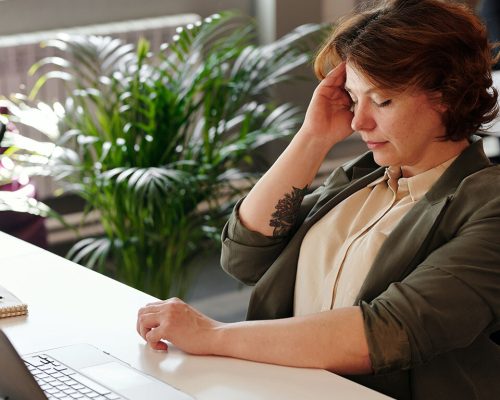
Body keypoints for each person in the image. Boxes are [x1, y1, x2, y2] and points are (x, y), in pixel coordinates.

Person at [137, 0, 500, 398]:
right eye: (352, 97)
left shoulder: (487, 203)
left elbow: (392, 330)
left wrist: (212, 335)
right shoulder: (363, 179)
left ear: (447, 94)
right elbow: (245, 255)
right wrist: (313, 137)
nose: (359, 122)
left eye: (382, 101)